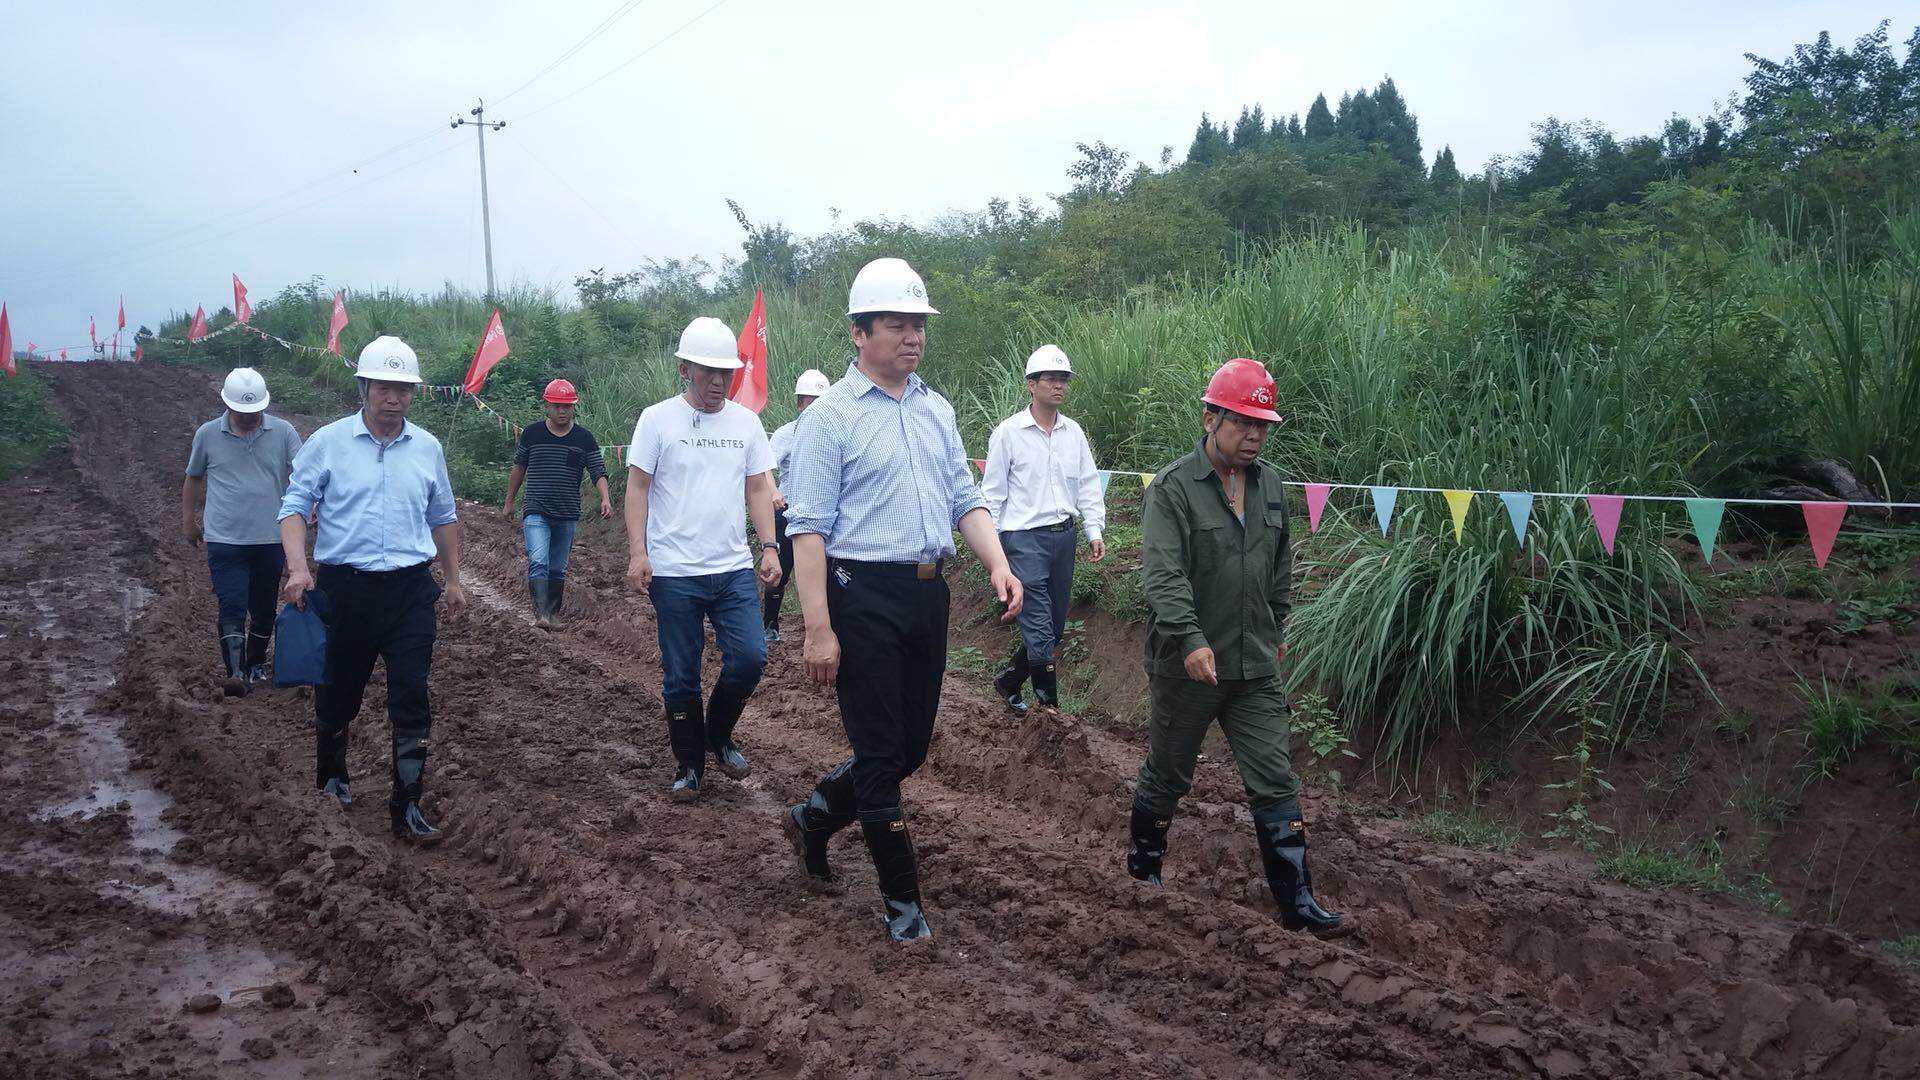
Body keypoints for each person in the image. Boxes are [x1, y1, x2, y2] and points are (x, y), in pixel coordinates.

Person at [780, 257, 1023, 944]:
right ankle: (903, 905)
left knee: (910, 748)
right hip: (861, 595)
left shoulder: (935, 408)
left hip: (926, 593)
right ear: (859, 333)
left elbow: (964, 499)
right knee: (882, 754)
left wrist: (999, 564)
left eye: (918, 324)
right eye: (896, 324)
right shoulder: (827, 420)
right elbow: (808, 529)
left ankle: (816, 815)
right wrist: (817, 629)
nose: (912, 337)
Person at [1125, 358, 1350, 938]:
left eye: (1262, 426)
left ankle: (1297, 902)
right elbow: (1163, 576)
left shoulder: (1271, 484)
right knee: (1169, 774)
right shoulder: (1174, 489)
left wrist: (1275, 628)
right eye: (1243, 424)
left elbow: (1280, 567)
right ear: (1210, 417)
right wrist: (1192, 640)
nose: (1254, 436)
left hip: (1253, 667)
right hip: (1188, 667)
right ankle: (1142, 872)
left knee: (1275, 778)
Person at [277, 336, 469, 842]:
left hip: (410, 591)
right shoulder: (329, 442)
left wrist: (452, 581)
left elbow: (443, 517)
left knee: (412, 696)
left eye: (403, 389)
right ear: (363, 387)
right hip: (346, 589)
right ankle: (332, 774)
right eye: (383, 387)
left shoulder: (428, 448)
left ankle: (406, 803)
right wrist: (299, 568)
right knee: (339, 692)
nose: (394, 398)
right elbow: (294, 507)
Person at [624, 317, 783, 801]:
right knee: (681, 671)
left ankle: (718, 733)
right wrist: (638, 553)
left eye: (727, 373)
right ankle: (689, 764)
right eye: (708, 372)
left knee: (751, 657)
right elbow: (638, 486)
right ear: (684, 369)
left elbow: (758, 487)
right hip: (674, 571)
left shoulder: (746, 422)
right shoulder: (657, 419)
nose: (718, 382)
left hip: (731, 566)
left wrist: (770, 545)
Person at [981, 344, 1107, 712]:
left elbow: (1088, 483)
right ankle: (1050, 714)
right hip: (1023, 541)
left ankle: (1008, 682)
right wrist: (996, 552)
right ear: (1031, 385)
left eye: (1063, 379)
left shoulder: (1074, 433)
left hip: (1063, 538)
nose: (1059, 385)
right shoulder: (1008, 434)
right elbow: (992, 495)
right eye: (1050, 379)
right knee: (1038, 626)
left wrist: (1093, 530)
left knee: (1053, 626)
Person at [182, 367, 303, 696]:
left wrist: (312, 507)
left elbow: (305, 473)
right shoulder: (207, 434)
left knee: (264, 607)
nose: (250, 418)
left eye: (255, 411)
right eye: (242, 411)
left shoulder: (284, 432)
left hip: (271, 537)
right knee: (232, 604)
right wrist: (189, 521)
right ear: (228, 405)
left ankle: (255, 663)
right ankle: (235, 672)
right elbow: (193, 478)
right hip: (225, 538)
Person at [504, 378, 610, 628]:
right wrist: (509, 501)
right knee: (539, 559)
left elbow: (597, 470)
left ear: (574, 407)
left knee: (558, 568)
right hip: (536, 510)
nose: (562, 411)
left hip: (567, 512)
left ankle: (552, 614)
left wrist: (605, 498)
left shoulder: (584, 438)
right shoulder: (532, 433)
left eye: (567, 406)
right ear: (547, 407)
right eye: (557, 406)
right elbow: (519, 468)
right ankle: (541, 614)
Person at [761, 367, 833, 643]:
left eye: (820, 400)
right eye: (808, 400)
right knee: (780, 569)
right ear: (799, 403)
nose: (814, 405)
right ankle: (770, 623)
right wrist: (773, 491)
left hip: (823, 514)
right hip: (788, 511)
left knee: (827, 571)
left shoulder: (835, 433)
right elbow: (764, 467)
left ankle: (825, 626)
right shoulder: (786, 434)